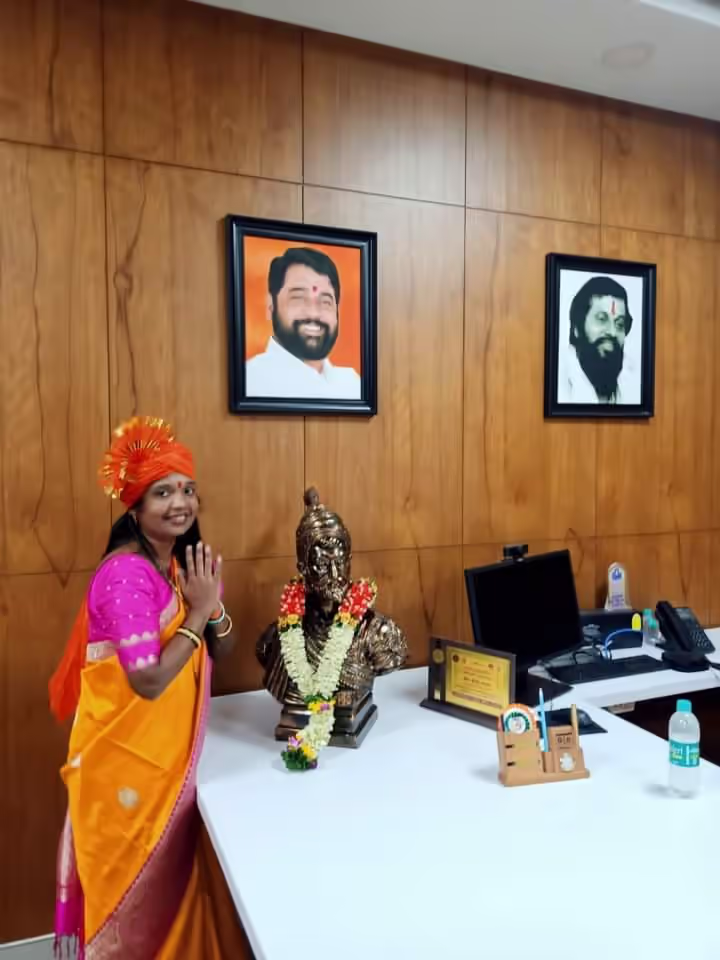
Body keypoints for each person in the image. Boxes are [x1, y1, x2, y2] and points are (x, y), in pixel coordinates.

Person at [49, 417, 244, 959]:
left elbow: (223, 647)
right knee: (131, 908)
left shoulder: (178, 565)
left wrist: (209, 605)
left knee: (175, 894)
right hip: (126, 773)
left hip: (166, 768)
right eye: (163, 492)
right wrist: (198, 613)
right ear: (134, 507)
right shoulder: (125, 576)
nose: (180, 503)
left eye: (187, 489)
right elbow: (148, 681)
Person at [246, 246, 361, 400]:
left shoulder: (353, 385)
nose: (313, 313)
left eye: (325, 302)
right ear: (270, 306)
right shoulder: (250, 382)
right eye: (299, 299)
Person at [558, 276, 640, 405]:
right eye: (602, 319)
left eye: (619, 324)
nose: (612, 332)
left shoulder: (635, 380)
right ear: (577, 328)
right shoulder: (558, 382)